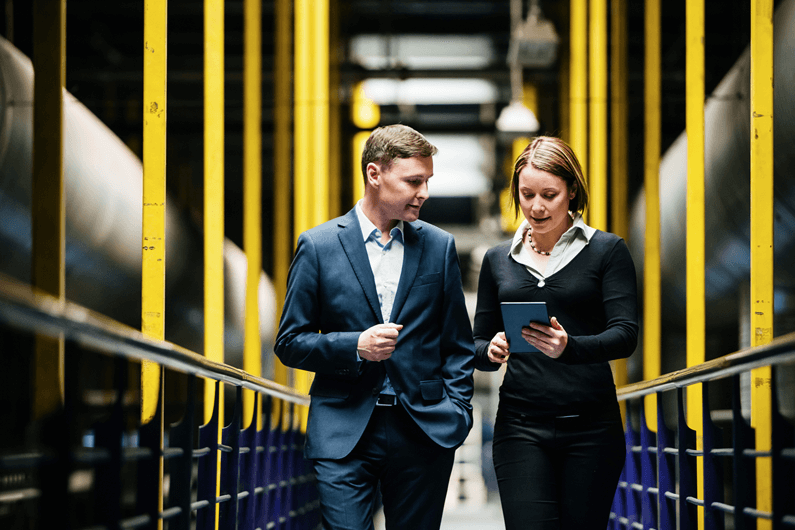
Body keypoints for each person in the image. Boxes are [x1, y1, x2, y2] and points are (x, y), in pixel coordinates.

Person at [275, 124, 475, 530]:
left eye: (427, 181)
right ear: (374, 174)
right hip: (343, 431)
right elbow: (290, 342)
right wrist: (355, 345)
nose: (425, 193)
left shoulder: (439, 247)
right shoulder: (318, 246)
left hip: (423, 430)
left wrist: (458, 411)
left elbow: (457, 344)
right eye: (414, 181)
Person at [473, 136, 638, 530]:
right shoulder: (497, 260)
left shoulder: (608, 251)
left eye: (549, 194)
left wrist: (570, 347)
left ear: (572, 191)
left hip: (591, 427)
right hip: (520, 427)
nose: (536, 206)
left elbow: (626, 334)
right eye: (526, 194)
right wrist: (490, 350)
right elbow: (476, 340)